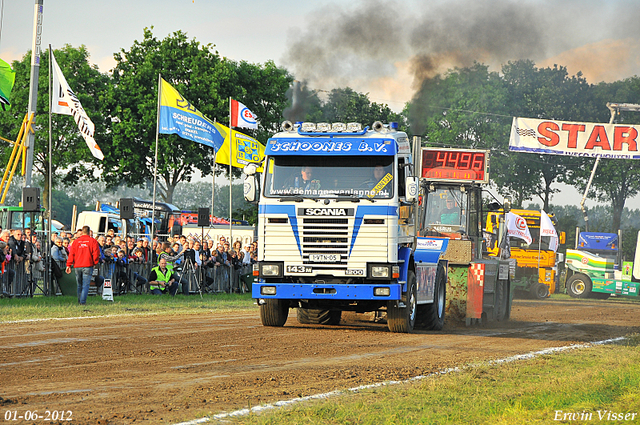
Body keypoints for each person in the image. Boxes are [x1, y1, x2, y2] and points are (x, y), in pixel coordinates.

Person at [65, 226, 100, 305]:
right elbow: (96, 254)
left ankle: (79, 300)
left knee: (79, 285)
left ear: (82, 232)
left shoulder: (76, 242)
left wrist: (68, 265)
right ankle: (82, 302)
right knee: (86, 285)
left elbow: (71, 254)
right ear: (89, 232)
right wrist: (95, 263)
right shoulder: (93, 241)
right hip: (88, 265)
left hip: (77, 265)